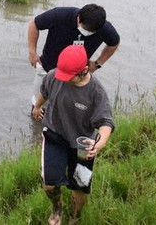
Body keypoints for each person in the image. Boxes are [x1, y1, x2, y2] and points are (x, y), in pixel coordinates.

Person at [32, 45, 114, 225]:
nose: (64, 79)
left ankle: (75, 217)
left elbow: (105, 123)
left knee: (80, 188)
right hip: (54, 135)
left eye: (69, 76)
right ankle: (57, 208)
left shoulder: (95, 91)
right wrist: (37, 107)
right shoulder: (54, 75)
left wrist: (99, 144)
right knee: (49, 184)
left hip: (83, 144)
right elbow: (44, 92)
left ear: (84, 70)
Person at [28, 4, 120, 108]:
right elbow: (34, 24)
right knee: (38, 104)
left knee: (66, 107)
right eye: (85, 28)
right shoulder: (60, 15)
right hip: (48, 66)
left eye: (91, 32)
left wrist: (98, 63)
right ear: (79, 17)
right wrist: (32, 52)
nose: (86, 33)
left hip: (76, 74)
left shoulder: (104, 28)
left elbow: (114, 43)